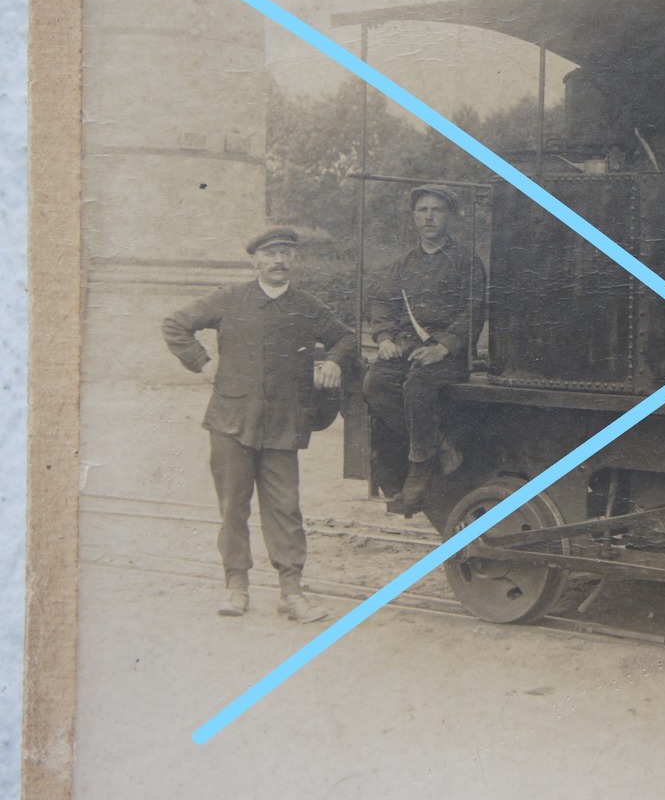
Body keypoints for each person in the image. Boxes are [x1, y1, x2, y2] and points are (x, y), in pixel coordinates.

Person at [162, 227, 355, 622]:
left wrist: (333, 361)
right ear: (255, 260)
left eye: (286, 252)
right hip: (231, 421)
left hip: (284, 424)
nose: (279, 260)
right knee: (233, 506)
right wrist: (204, 363)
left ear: (294, 260)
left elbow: (346, 339)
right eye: (270, 253)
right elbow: (175, 325)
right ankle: (236, 586)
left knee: (285, 509)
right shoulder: (230, 299)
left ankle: (291, 592)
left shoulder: (308, 306)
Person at [363, 185, 488, 510]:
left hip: (447, 354)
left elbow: (475, 308)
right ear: (414, 217)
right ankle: (439, 446)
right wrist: (385, 339)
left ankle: (419, 469)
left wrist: (444, 347)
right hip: (407, 348)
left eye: (437, 210)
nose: (429, 216)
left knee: (418, 385)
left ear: (448, 217)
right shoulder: (403, 263)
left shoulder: (465, 261)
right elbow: (381, 303)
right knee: (376, 383)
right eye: (422, 210)